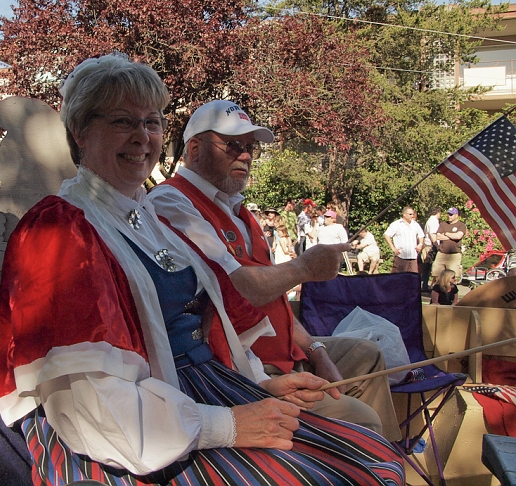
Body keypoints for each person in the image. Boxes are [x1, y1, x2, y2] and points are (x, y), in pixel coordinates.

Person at [0, 57, 404, 486]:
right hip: (129, 434)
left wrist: (258, 383)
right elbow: (89, 407)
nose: (142, 137)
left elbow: (204, 327)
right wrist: (227, 424)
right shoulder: (61, 229)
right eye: (122, 121)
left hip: (197, 395)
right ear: (80, 131)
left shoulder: (142, 214)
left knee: (371, 457)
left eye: (152, 122)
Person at [149, 99, 401, 441]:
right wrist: (306, 267)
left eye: (250, 147)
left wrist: (315, 350)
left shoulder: (237, 210)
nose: (246, 156)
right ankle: (367, 455)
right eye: (233, 145)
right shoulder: (171, 201)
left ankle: (374, 459)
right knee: (363, 420)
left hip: (285, 355)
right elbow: (244, 288)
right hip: (243, 369)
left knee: (367, 356)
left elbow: (275, 297)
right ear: (194, 148)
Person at [431, 207, 467, 283]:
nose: (449, 216)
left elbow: (458, 236)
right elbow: (438, 236)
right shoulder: (443, 224)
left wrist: (446, 233)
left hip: (454, 254)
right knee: (437, 275)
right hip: (441, 253)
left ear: (456, 215)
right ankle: (438, 292)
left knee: (452, 277)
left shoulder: (461, 225)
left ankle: (451, 293)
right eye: (448, 214)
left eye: (451, 214)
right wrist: (452, 237)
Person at [384, 206, 424, 273]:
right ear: (404, 214)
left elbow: (421, 235)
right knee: (397, 277)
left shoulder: (415, 224)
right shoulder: (396, 224)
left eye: (413, 214)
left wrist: (420, 244)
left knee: (413, 277)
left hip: (413, 256)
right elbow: (386, 235)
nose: (412, 216)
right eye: (410, 214)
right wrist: (393, 248)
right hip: (401, 256)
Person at [421, 207, 442, 290]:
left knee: (427, 266)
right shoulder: (433, 221)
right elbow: (432, 234)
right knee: (428, 266)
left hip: (428, 245)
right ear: (438, 213)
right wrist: (437, 245)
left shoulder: (431, 221)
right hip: (430, 246)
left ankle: (425, 284)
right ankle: (425, 285)